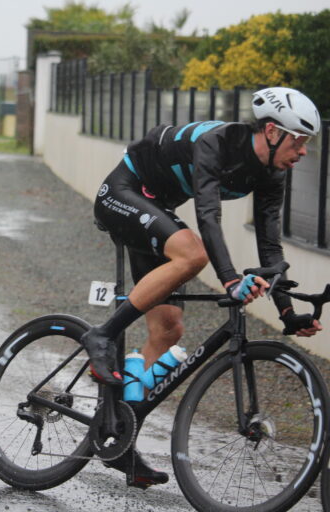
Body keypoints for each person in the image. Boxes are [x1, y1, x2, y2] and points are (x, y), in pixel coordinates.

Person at [82, 86, 323, 487]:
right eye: (298, 141)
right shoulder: (218, 143)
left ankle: (118, 435)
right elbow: (208, 217)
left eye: (307, 144)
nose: (303, 152)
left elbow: (269, 246)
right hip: (123, 193)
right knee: (193, 253)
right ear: (271, 131)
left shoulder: (272, 173)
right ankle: (102, 335)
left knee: (169, 329)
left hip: (157, 209)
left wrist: (286, 313)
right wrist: (229, 279)